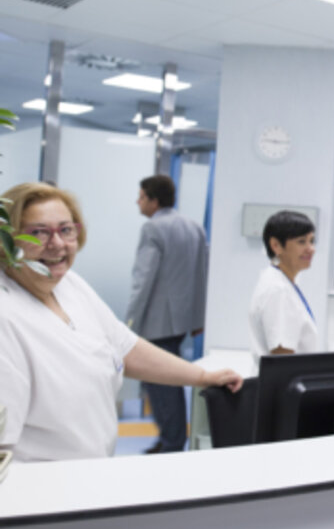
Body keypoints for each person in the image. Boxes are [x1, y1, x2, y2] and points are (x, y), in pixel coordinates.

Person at [0, 182, 241, 463]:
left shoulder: (69, 285)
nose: (57, 244)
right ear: (7, 240)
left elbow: (126, 347)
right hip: (41, 483)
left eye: (66, 230)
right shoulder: (6, 317)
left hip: (89, 472)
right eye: (38, 232)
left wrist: (201, 377)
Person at [126, 174, 209, 454]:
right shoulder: (194, 227)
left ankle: (172, 443)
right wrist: (198, 319)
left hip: (157, 320)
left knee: (161, 385)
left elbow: (143, 279)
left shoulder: (153, 228)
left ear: (154, 200)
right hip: (181, 321)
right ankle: (169, 438)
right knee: (168, 382)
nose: (137, 202)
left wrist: (130, 323)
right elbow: (202, 275)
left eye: (141, 196)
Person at [249, 210, 320, 368]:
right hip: (285, 381)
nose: (311, 249)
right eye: (302, 242)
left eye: (312, 241)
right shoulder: (278, 290)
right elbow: (283, 360)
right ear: (276, 245)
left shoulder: (281, 281)